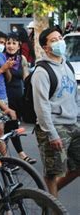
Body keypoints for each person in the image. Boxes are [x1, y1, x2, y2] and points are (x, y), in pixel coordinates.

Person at [32, 28, 79, 197]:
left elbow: (75, 95)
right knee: (53, 172)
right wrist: (52, 134)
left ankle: (48, 197)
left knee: (77, 166)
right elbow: (41, 106)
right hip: (54, 126)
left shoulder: (67, 65)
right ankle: (51, 206)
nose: (59, 41)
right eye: (53, 40)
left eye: (60, 38)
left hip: (73, 123)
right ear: (46, 47)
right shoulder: (41, 71)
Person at [4, 32, 36, 163]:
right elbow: (8, 78)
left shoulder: (21, 58)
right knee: (9, 126)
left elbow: (26, 78)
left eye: (14, 43)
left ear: (19, 45)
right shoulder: (1, 58)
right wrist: (6, 67)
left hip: (19, 97)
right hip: (5, 97)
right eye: (8, 43)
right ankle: (19, 155)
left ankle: (4, 157)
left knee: (10, 127)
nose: (11, 46)